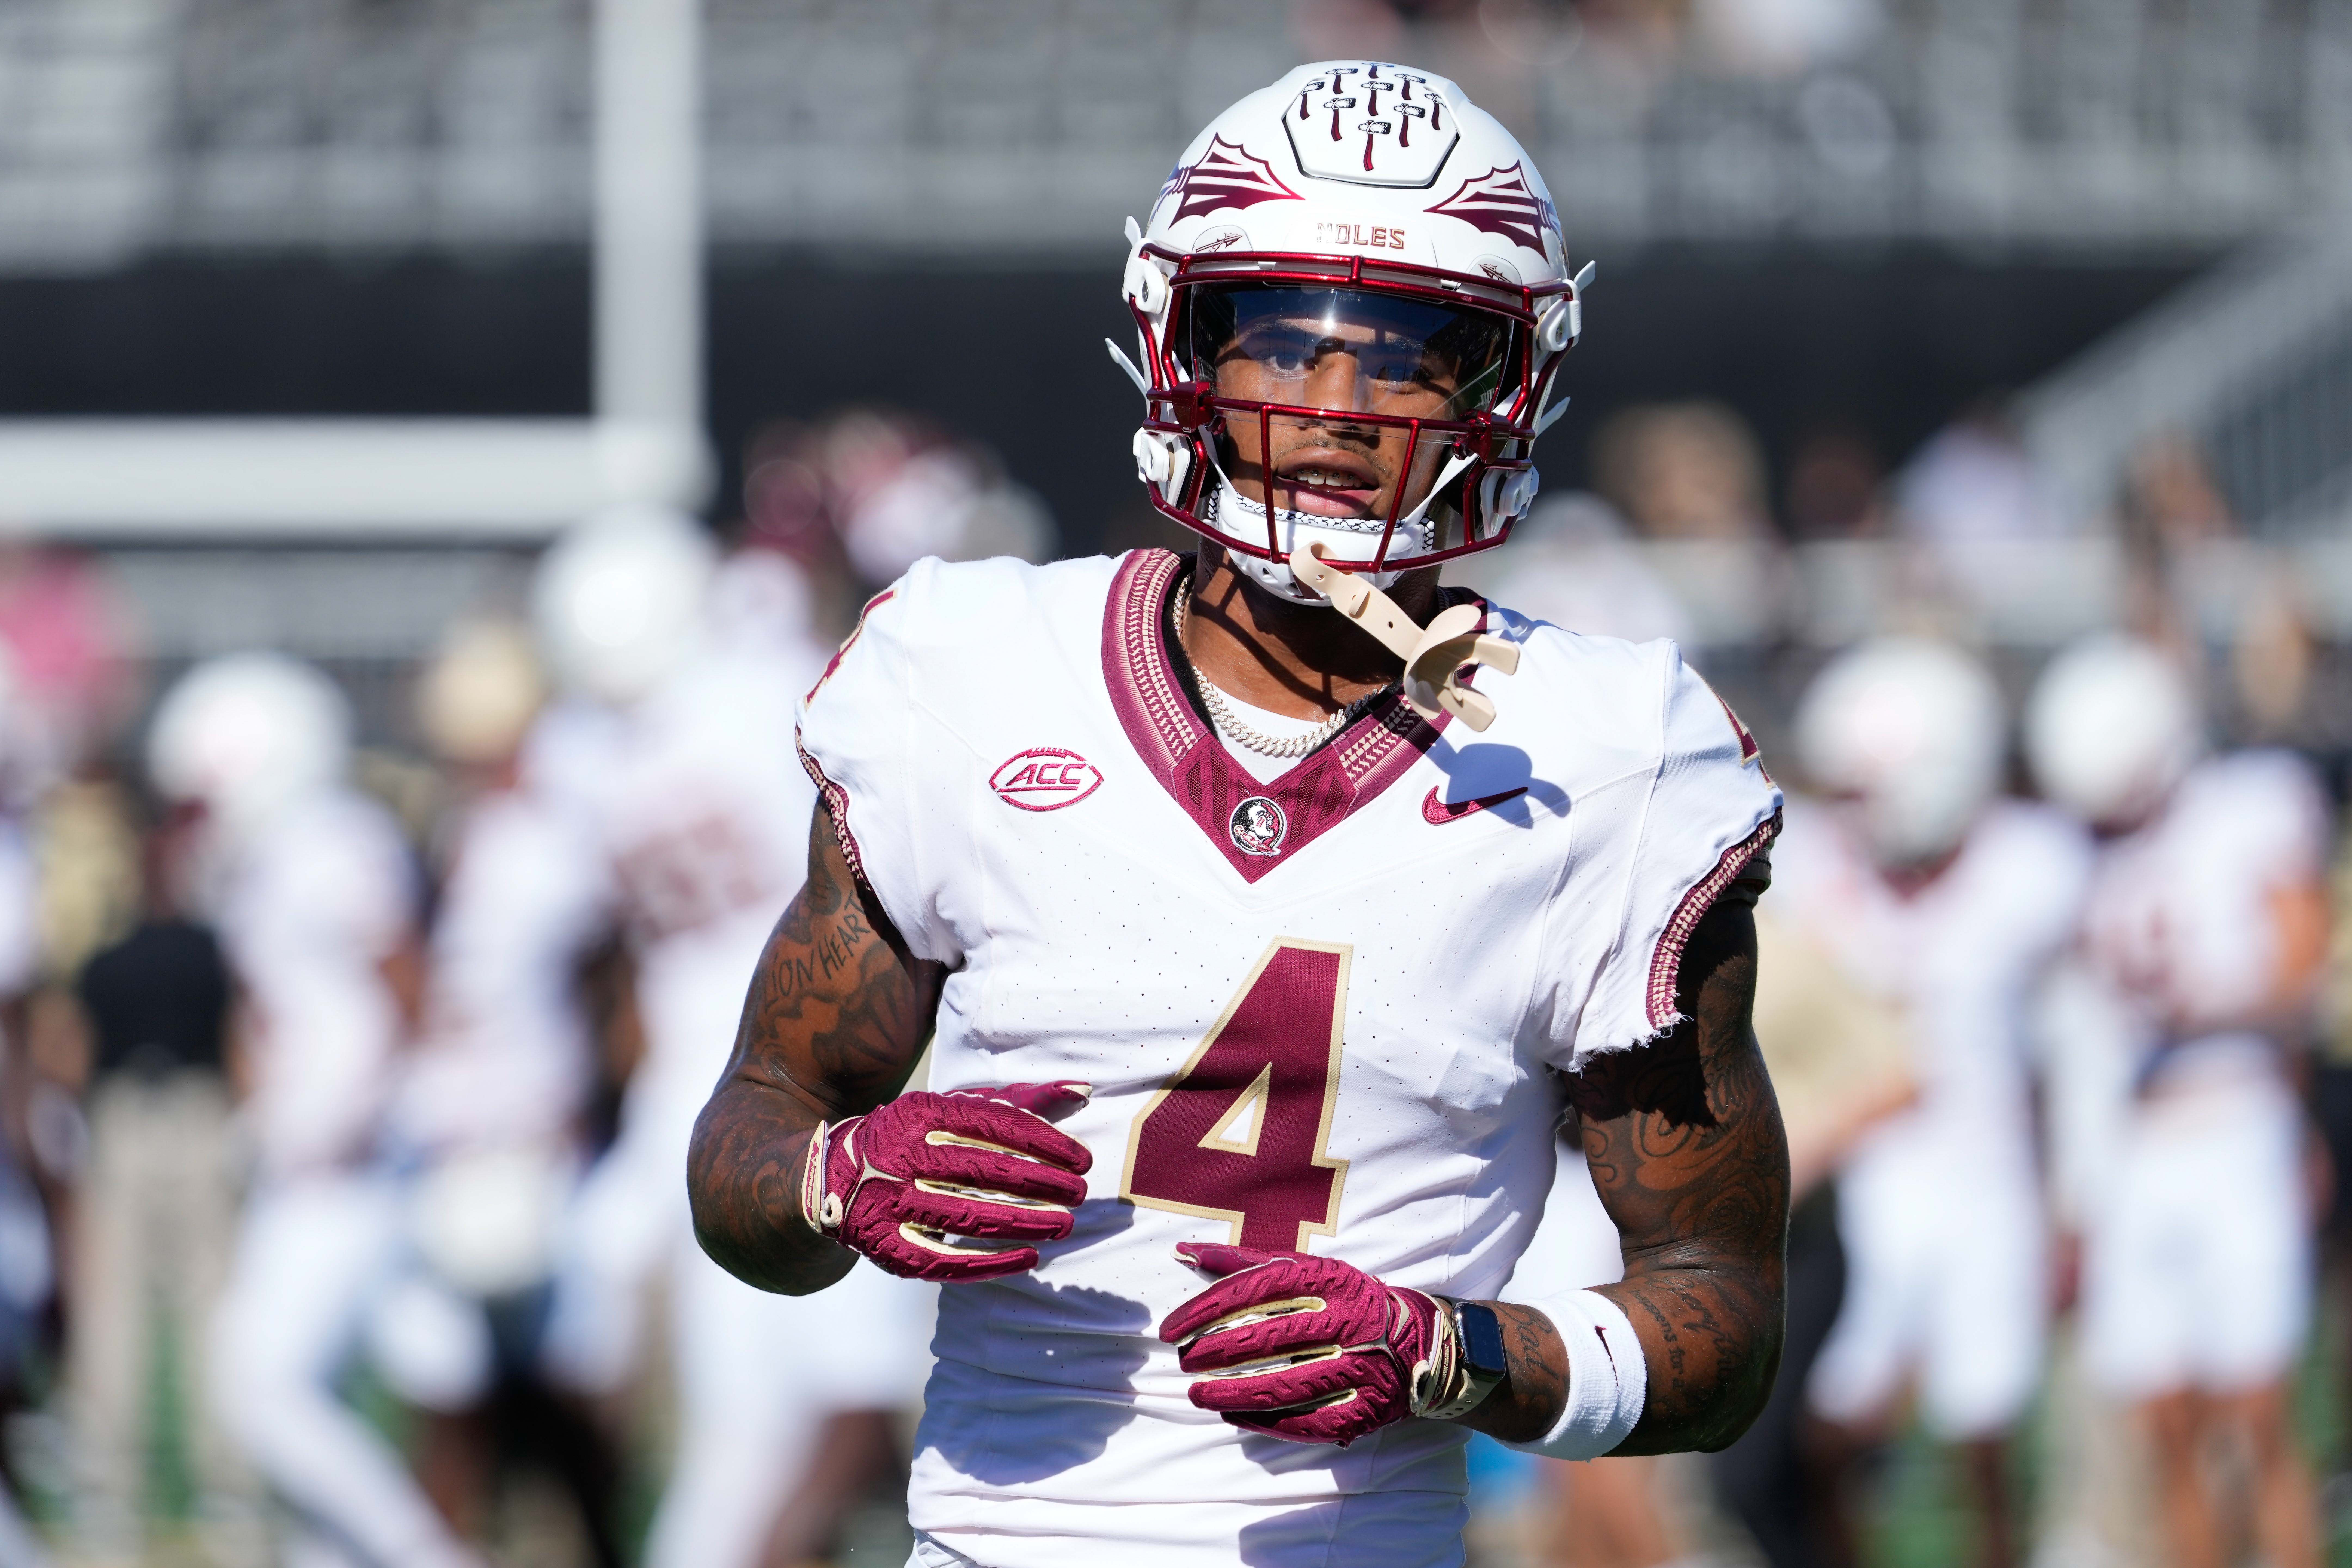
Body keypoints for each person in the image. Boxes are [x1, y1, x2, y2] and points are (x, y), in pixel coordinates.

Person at [689, 61, 1790, 1568]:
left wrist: (1458, 1352)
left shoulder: (1604, 760)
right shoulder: (969, 673)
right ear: (1179, 343)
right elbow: (750, 1142)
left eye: (1408, 355)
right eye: (1282, 341)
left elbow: (1719, 1313)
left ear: (1502, 387)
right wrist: (836, 1180)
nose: (1335, 409)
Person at [534, 510, 930, 1568]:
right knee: (793, 1391)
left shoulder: (581, 750)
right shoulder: (764, 692)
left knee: (766, 1398)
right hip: (811, 1046)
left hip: (726, 1076)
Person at [149, 653, 482, 1568]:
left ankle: (427, 1554)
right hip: (320, 1157)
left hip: (353, 1162)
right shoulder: (282, 852)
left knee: (258, 1390)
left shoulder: (331, 841)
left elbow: (401, 985)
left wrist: (358, 1115)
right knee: (336, 1393)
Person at [1775, 639, 2092, 1568]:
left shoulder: (2032, 869)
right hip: (1866, 1186)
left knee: (1982, 1430)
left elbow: (2073, 1055)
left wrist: (2073, 1198)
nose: (1847, 812)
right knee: (1830, 1423)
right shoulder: (1814, 869)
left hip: (1984, 1175)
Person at [2027, 636, 2329, 1568]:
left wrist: (2207, 1002)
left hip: (2235, 1118)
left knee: (2260, 1414)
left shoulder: (2250, 805)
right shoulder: (2063, 850)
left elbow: (2304, 959)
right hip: (2131, 1148)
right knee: (2165, 1425)